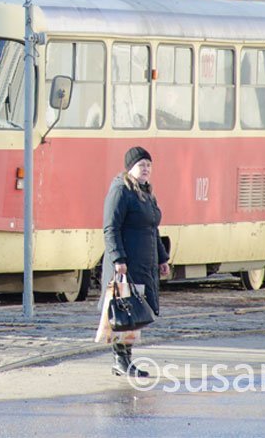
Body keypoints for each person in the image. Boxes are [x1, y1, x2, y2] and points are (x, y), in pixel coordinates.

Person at [101, 146, 170, 378]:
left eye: (149, 165)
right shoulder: (121, 191)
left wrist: (162, 258)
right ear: (130, 168)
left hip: (143, 264)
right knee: (125, 311)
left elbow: (152, 229)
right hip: (126, 265)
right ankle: (120, 359)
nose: (146, 169)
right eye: (142, 165)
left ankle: (125, 359)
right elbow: (111, 228)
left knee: (134, 312)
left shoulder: (145, 192)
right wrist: (118, 258)